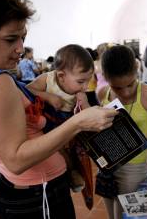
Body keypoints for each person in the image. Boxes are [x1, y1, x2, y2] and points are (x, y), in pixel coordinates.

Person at [0, 0, 118, 218]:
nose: (21, 48)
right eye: (11, 39)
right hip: (37, 195)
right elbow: (16, 159)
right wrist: (78, 123)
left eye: (22, 37)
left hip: (29, 191)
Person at [97, 45, 147, 219]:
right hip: (107, 166)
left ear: (137, 70)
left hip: (134, 167)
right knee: (112, 215)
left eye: (130, 84)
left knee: (126, 215)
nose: (126, 92)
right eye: (118, 88)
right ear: (106, 78)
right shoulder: (102, 94)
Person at [26, 44, 94, 193]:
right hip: (48, 124)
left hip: (69, 125)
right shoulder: (47, 79)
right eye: (81, 82)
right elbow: (27, 89)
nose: (85, 87)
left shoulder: (80, 92)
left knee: (75, 151)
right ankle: (70, 173)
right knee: (58, 150)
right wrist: (48, 96)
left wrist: (85, 103)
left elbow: (87, 114)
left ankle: (75, 173)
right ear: (61, 76)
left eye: (88, 81)